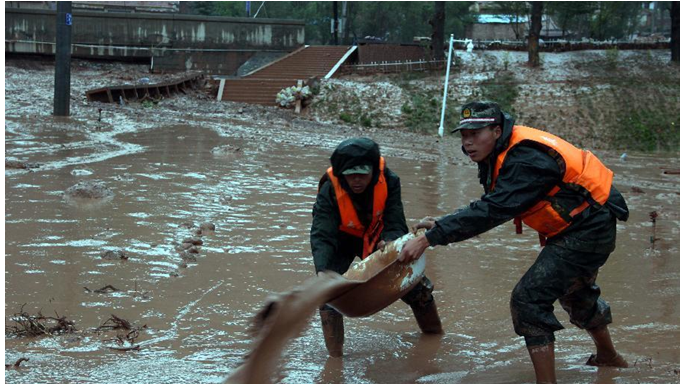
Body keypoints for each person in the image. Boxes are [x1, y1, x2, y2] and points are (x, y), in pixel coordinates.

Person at [399, 101, 629, 383]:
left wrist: (430, 238)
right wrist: (444, 224)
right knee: (575, 290)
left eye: (475, 134)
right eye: (463, 136)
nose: (468, 143)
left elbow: (495, 210)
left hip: (590, 225)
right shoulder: (500, 152)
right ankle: (608, 357)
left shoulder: (525, 158)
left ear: (496, 131)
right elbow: (494, 202)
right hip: (579, 223)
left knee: (528, 300)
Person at [311, 137, 443, 358]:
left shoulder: (389, 180)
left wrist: (390, 241)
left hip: (376, 235)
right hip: (341, 238)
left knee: (416, 287)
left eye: (362, 174)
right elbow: (322, 234)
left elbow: (395, 221)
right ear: (341, 173)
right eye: (350, 175)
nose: (356, 181)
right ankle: (335, 359)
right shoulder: (329, 188)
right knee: (327, 293)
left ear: (373, 170)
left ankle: (435, 337)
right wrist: (323, 271)